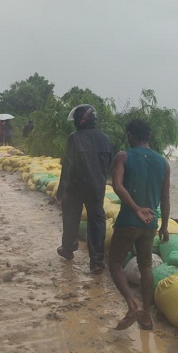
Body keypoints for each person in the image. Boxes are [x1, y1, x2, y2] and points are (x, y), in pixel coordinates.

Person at [107, 118, 170, 330]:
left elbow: (116, 186)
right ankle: (146, 317)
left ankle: (132, 305)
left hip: (129, 222)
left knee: (114, 263)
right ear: (149, 137)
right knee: (146, 267)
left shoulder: (123, 156)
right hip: (151, 223)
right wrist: (165, 226)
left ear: (130, 136)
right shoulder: (163, 162)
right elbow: (165, 198)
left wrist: (135, 209)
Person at [56, 104, 113, 274]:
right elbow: (109, 163)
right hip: (97, 187)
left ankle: (68, 248)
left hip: (76, 186)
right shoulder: (105, 138)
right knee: (97, 221)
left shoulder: (74, 138)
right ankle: (96, 261)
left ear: (81, 120)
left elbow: (68, 165)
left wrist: (62, 189)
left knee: (71, 217)